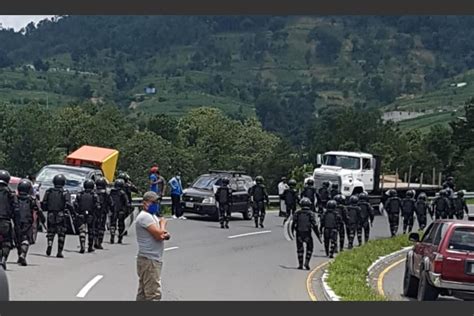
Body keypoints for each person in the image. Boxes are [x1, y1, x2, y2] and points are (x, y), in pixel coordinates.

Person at [136, 191, 170, 301]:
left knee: (144, 293)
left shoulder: (152, 216)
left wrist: (163, 232)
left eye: (157, 202)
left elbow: (163, 234)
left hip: (150, 259)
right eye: (153, 202)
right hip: (149, 260)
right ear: (145, 203)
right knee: (153, 294)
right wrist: (163, 224)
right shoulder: (145, 217)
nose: (156, 204)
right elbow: (159, 235)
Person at [14, 179, 44, 266]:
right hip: (27, 222)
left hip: (16, 222)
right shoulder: (32, 199)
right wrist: (43, 220)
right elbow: (39, 210)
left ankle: (20, 254)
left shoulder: (14, 198)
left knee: (18, 239)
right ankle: (23, 254)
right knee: (25, 239)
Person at [42, 174, 73, 258]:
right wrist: (73, 213)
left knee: (50, 233)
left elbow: (44, 203)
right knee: (61, 234)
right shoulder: (65, 192)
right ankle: (59, 252)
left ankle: (49, 244)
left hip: (51, 214)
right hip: (61, 214)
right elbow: (68, 204)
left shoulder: (48, 191)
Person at [291, 197, 321, 270]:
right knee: (310, 248)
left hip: (299, 233)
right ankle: (306, 262)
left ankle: (300, 264)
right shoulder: (311, 213)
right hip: (307, 233)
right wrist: (318, 235)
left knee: (299, 249)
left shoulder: (297, 213)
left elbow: (292, 223)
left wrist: (292, 233)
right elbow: (314, 225)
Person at [74, 179, 100, 253]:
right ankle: (90, 247)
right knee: (91, 231)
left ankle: (82, 245)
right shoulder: (94, 195)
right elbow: (98, 206)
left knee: (82, 230)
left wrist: (77, 213)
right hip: (91, 215)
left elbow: (75, 204)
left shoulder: (80, 194)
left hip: (81, 214)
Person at [0, 170, 17, 269]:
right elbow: (16, 209)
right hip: (5, 222)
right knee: (7, 242)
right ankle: (3, 259)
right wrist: (17, 222)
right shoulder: (11, 193)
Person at [95, 177, 114, 249]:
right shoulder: (106, 194)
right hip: (103, 213)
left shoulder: (94, 192)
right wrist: (111, 211)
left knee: (94, 227)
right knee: (101, 228)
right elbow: (111, 203)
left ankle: (94, 241)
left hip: (95, 213)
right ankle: (99, 242)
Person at [109, 179, 129, 244]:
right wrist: (125, 210)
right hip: (121, 210)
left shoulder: (111, 192)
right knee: (121, 225)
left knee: (113, 223)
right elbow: (126, 202)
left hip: (113, 210)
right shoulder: (122, 193)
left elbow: (109, 201)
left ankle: (112, 235)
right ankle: (120, 238)